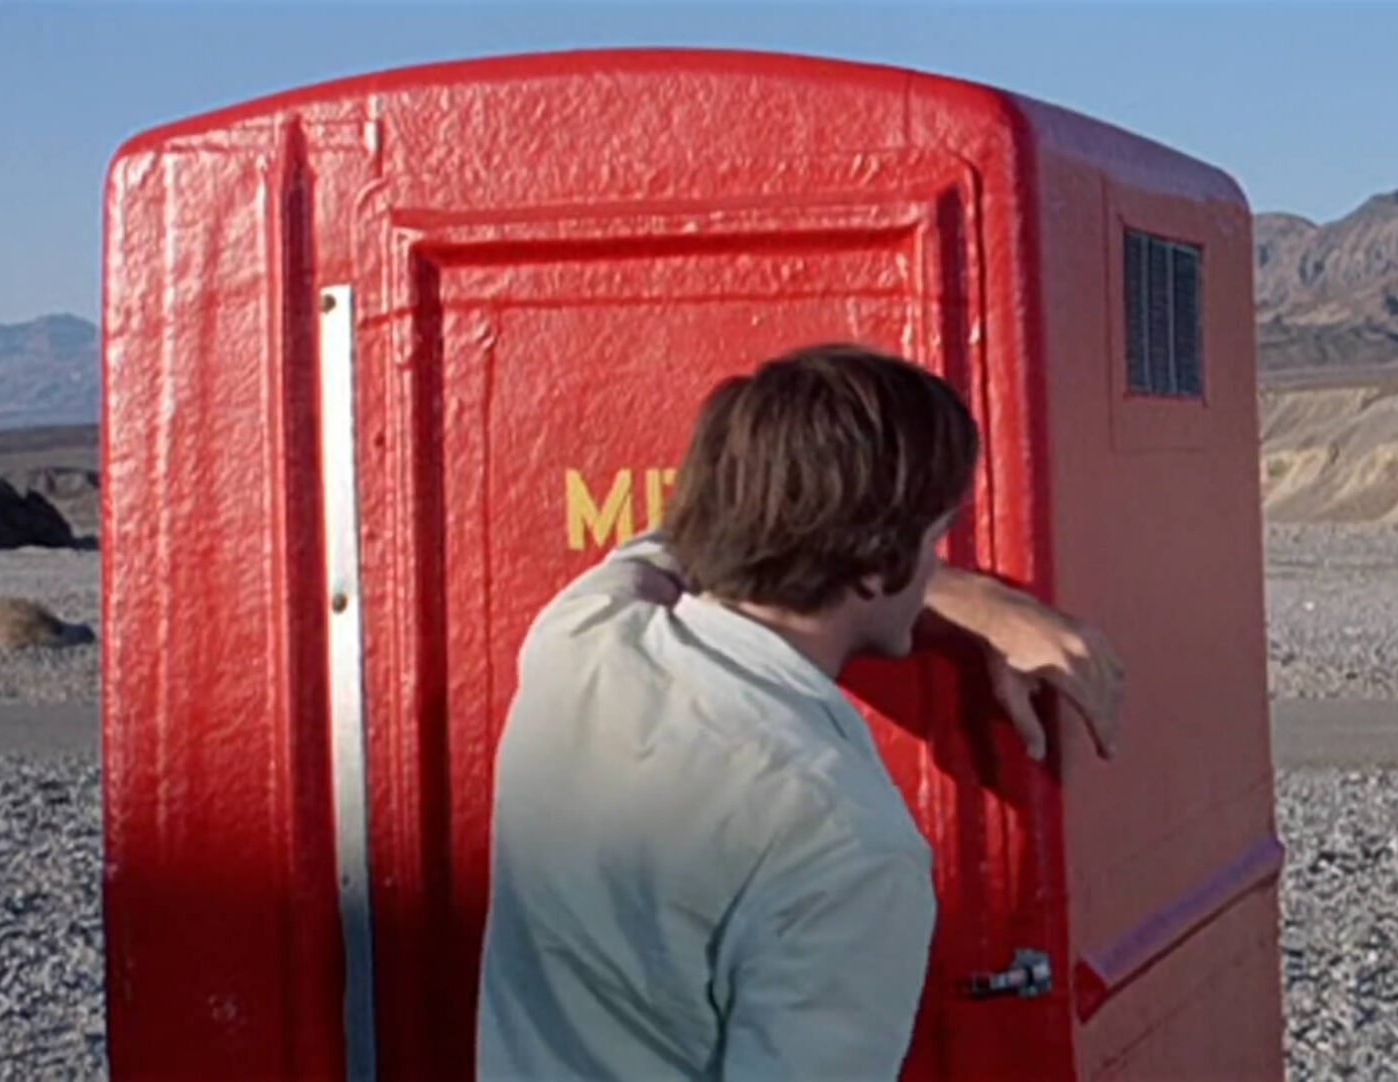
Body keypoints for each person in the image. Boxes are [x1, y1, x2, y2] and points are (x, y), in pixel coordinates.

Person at [474, 343, 1125, 1079]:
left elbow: (671, 543)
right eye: (936, 539)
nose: (937, 567)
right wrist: (981, 600)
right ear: (879, 565)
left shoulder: (581, 635)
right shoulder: (847, 844)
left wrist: (954, 591)